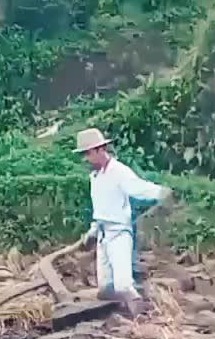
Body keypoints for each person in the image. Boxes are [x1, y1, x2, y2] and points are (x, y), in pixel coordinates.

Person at [74, 128, 173, 304]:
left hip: (119, 233)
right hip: (103, 236)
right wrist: (93, 231)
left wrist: (160, 193)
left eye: (87, 154)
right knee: (106, 288)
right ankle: (120, 316)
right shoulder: (95, 177)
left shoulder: (119, 172)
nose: (85, 159)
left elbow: (139, 187)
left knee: (123, 285)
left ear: (99, 149)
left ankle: (143, 316)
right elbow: (100, 208)